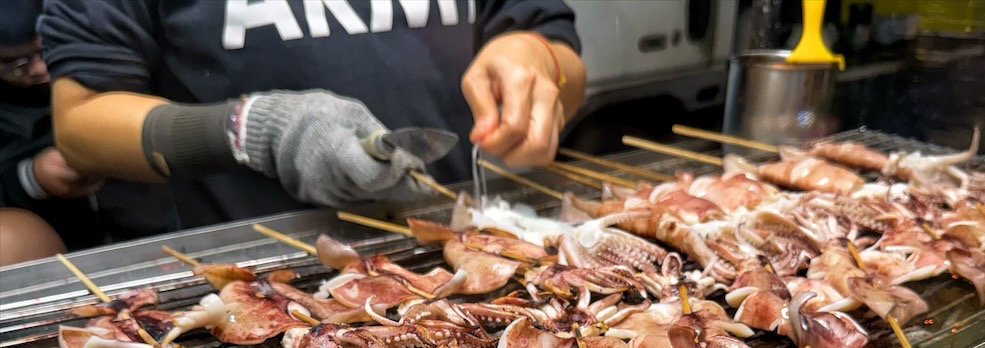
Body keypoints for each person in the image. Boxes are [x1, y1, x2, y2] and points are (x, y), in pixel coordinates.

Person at [39, 0, 586, 230]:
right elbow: (81, 124)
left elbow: (561, 57)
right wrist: (253, 127)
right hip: (262, 278)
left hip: (454, 246)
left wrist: (536, 57)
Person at [0, 0, 104, 254]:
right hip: (58, 245)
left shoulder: (104, 53)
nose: (39, 69)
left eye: (46, 50)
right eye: (16, 64)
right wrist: (30, 178)